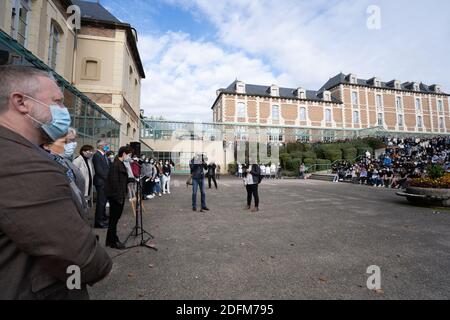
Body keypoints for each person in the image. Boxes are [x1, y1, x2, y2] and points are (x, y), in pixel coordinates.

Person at [0, 65, 112, 299]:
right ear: (21, 102)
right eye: (58, 101)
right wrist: (99, 263)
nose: (64, 110)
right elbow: (81, 258)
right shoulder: (23, 163)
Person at [105, 146, 133, 249]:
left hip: (118, 195)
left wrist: (129, 180)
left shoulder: (119, 163)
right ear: (124, 153)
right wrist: (119, 198)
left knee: (114, 219)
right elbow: (114, 182)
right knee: (114, 220)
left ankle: (109, 240)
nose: (130, 157)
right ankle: (113, 241)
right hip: (116, 196)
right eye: (129, 155)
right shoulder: (116, 165)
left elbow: (121, 179)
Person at [92, 140, 111, 228]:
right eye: (106, 145)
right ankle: (99, 222)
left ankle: (103, 218)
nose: (107, 146)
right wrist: (108, 179)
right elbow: (99, 171)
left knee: (103, 202)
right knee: (101, 202)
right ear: (100, 146)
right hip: (101, 182)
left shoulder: (104, 155)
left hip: (104, 182)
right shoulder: (97, 155)